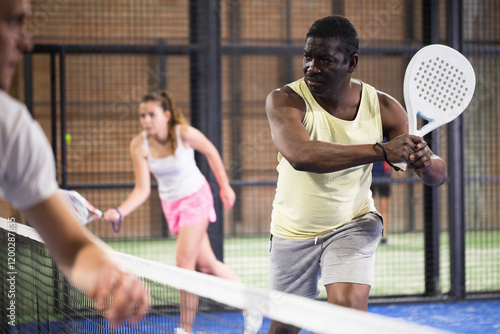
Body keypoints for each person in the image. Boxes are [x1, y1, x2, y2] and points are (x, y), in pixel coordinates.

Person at [265, 15, 447, 333]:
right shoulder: (286, 100)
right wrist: (381, 151)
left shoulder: (384, 108)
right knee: (284, 328)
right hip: (292, 232)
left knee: (347, 313)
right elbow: (301, 156)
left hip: (353, 224)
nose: (312, 67)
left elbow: (437, 175)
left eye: (325, 60)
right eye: (308, 57)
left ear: (352, 63)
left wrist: (425, 161)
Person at [0, 0, 149, 328]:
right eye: (13, 22)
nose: (26, 42)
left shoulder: (13, 133)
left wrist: (107, 273)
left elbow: (71, 245)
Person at [102, 91, 261, 334]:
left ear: (166, 115)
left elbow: (210, 151)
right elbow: (143, 189)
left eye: (151, 114)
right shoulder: (139, 145)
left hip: (196, 198)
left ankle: (185, 329)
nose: (146, 120)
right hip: (172, 206)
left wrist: (225, 185)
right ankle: (252, 304)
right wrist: (119, 211)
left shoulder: (183, 133)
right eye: (142, 115)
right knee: (207, 265)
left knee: (184, 264)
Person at [371, 160, 391, 244]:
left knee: (384, 208)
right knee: (369, 208)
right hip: (370, 175)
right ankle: (371, 235)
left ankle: (383, 235)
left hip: (383, 175)